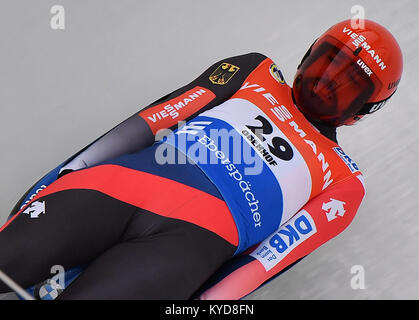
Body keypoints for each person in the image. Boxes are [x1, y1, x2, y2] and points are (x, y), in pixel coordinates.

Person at [0, 18, 402, 300]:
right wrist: (63, 177)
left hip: (181, 251)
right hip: (117, 187)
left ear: (362, 111)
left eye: (346, 87)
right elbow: (151, 120)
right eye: (325, 64)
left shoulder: (345, 183)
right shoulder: (255, 71)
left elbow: (267, 262)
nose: (325, 84)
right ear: (307, 53)